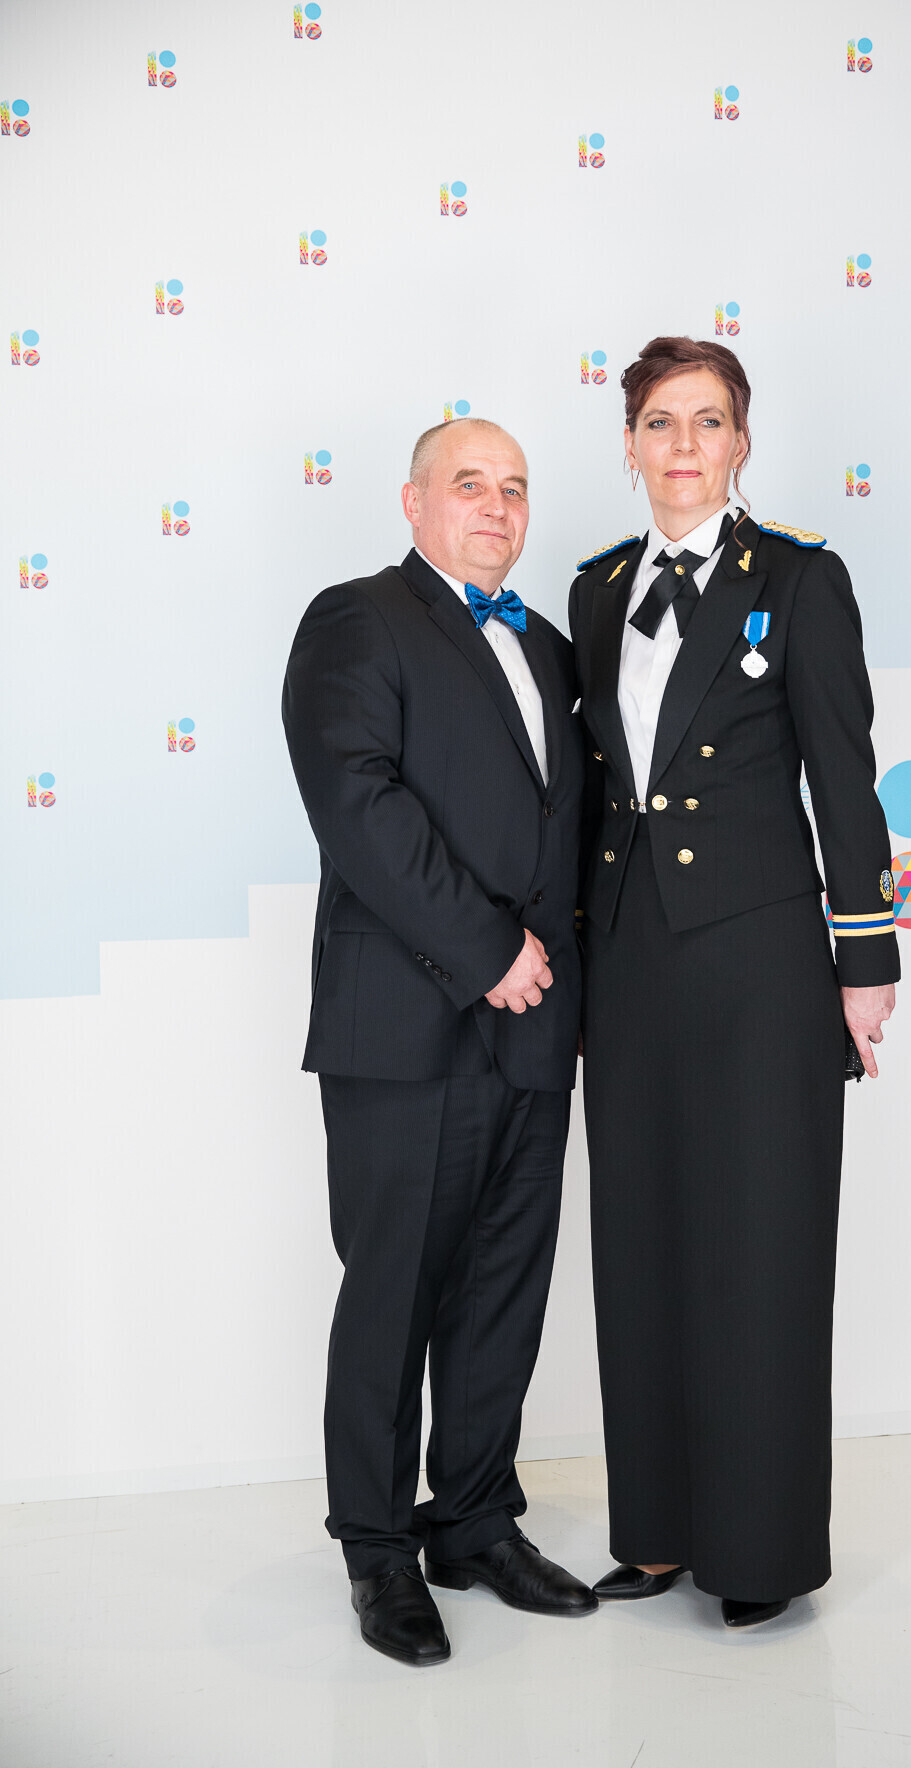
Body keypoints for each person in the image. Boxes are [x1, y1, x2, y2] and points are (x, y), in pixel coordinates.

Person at [570, 337, 900, 1629]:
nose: (685, 445)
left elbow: (844, 780)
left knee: (761, 1252)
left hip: (762, 967)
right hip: (630, 964)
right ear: (631, 444)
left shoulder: (801, 579)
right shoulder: (597, 589)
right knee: (640, 1243)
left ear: (742, 442)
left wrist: (862, 964)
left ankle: (757, 1557)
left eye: (708, 421)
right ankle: (656, 1535)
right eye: (661, 422)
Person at [282, 417, 597, 1667]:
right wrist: (487, 952)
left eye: (515, 488)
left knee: (503, 1288)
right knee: (395, 1293)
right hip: (409, 1027)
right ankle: (376, 1549)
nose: (498, 506)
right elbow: (358, 802)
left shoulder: (551, 648)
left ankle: (473, 1522)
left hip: (537, 1027)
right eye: (470, 484)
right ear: (414, 503)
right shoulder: (357, 619)